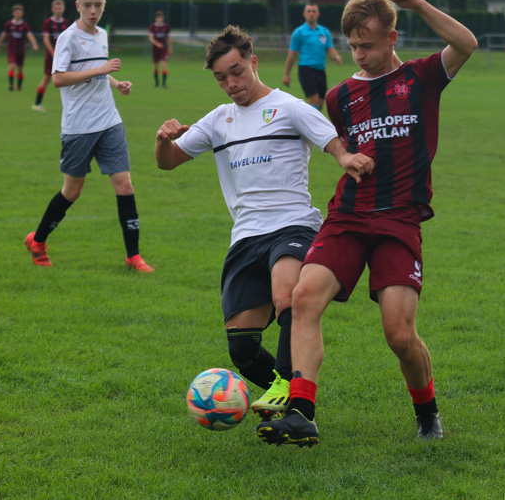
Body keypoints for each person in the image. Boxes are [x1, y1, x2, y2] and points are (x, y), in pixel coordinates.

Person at [257, 0, 478, 446]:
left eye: (367, 45)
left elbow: (466, 44)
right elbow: (331, 144)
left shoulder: (421, 78)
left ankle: (427, 412)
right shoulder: (340, 98)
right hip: (348, 216)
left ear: (392, 39)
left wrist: (416, 3)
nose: (358, 54)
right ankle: (301, 411)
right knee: (304, 298)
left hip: (399, 221)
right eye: (352, 45)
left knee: (399, 335)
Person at [155, 25, 373, 420]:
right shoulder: (218, 120)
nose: (231, 83)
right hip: (245, 236)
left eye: (237, 71)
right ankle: (284, 387)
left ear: (253, 63)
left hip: (293, 225)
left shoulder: (288, 107)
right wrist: (162, 140)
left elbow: (331, 140)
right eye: (222, 77)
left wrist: (345, 158)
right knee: (241, 347)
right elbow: (167, 161)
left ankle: (291, 389)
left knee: (286, 294)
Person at [24, 0, 154, 273]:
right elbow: (58, 78)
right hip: (79, 126)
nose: (93, 11)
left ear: (104, 5)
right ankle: (38, 240)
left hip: (109, 121)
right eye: (87, 6)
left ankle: (133, 256)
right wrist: (101, 70)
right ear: (77, 6)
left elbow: (97, 70)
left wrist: (116, 83)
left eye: (98, 5)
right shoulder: (68, 38)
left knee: (125, 185)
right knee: (72, 191)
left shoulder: (102, 35)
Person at [282, 3, 342, 110]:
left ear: (318, 14)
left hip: (321, 71)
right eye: (308, 11)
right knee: (313, 103)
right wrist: (286, 74)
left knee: (320, 105)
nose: (311, 14)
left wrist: (336, 57)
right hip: (306, 70)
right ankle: (312, 126)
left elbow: (329, 49)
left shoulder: (324, 32)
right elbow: (291, 56)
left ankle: (312, 124)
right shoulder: (299, 32)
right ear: (304, 14)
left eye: (313, 11)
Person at [32, 0, 69, 112]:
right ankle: (37, 104)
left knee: (68, 80)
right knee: (46, 80)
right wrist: (54, 54)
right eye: (56, 8)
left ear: (63, 9)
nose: (58, 10)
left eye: (60, 8)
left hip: (64, 57)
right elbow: (46, 39)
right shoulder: (48, 22)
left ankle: (69, 105)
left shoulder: (66, 22)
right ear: (52, 10)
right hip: (51, 57)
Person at [0, 4, 39, 91]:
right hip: (11, 49)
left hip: (21, 50)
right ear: (13, 13)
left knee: (20, 69)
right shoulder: (8, 24)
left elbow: (29, 35)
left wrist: (34, 44)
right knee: (11, 66)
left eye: (19, 12)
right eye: (16, 12)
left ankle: (19, 87)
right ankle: (11, 85)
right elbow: (3, 35)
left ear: (22, 13)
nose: (17, 14)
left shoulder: (24, 25)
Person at [148, 10, 172, 88]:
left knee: (164, 64)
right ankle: (157, 82)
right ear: (156, 18)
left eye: (161, 18)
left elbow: (168, 38)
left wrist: (170, 48)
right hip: (155, 49)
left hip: (163, 49)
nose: (159, 19)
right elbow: (151, 38)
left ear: (163, 18)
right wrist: (157, 44)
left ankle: (164, 83)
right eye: (158, 18)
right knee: (155, 65)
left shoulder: (166, 27)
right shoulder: (152, 27)